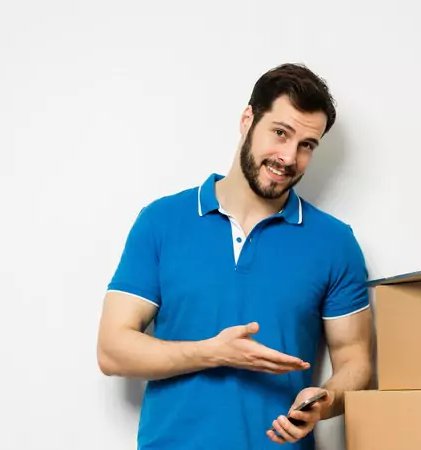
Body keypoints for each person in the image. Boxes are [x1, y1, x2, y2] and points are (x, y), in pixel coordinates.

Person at [96, 63, 373, 450]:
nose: (289, 157)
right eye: (280, 133)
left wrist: (324, 402)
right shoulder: (161, 222)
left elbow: (355, 360)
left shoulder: (335, 242)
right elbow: (112, 350)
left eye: (306, 145)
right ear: (247, 119)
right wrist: (214, 353)